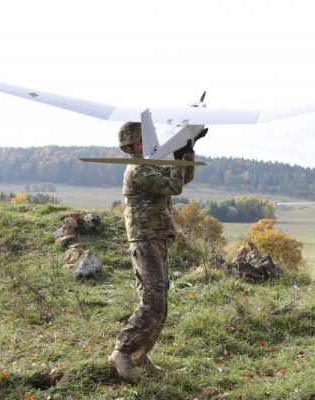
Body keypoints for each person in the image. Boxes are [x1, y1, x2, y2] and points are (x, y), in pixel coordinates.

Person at [108, 121, 205, 382]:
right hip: (145, 239)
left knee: (158, 299)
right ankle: (123, 352)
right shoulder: (139, 170)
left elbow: (185, 176)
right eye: (141, 140)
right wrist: (176, 155)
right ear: (132, 146)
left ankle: (139, 354)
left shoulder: (151, 163)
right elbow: (174, 187)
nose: (147, 142)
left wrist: (187, 151)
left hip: (156, 237)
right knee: (153, 301)